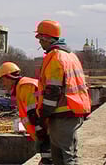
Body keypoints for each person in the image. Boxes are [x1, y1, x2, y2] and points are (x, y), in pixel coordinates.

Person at [35, 20, 91, 165]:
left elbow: (53, 90)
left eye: (41, 39)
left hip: (63, 112)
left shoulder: (56, 57)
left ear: (47, 38)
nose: (40, 43)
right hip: (71, 110)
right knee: (59, 155)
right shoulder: (70, 55)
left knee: (67, 156)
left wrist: (44, 113)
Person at [0, 62, 52, 164]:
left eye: (2, 80)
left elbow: (33, 113)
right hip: (45, 127)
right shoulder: (23, 86)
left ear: (9, 77)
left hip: (44, 128)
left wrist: (40, 131)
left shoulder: (24, 86)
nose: (2, 84)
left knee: (47, 158)